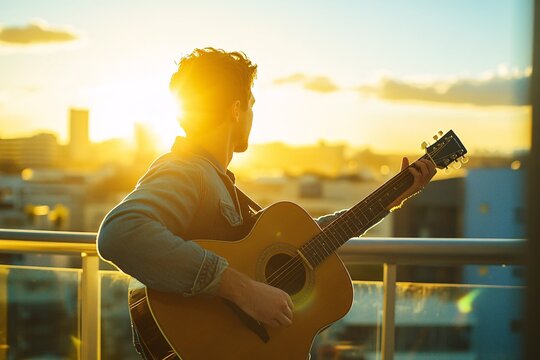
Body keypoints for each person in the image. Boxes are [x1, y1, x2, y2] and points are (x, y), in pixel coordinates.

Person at [96, 47, 436, 357]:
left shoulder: (216, 180)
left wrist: (391, 198)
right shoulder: (186, 172)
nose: (252, 117)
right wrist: (243, 291)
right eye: (252, 106)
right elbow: (120, 233)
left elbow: (307, 241)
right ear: (235, 109)